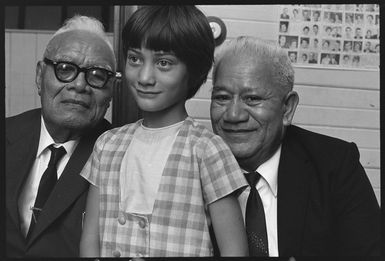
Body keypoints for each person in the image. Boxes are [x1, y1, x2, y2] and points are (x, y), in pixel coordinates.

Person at [79, 6, 248, 258]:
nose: (145, 77)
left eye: (164, 63)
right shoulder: (107, 145)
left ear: (194, 70)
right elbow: (90, 239)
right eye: (135, 58)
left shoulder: (207, 149)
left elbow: (234, 250)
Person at [210, 36, 380, 256]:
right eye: (222, 98)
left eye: (252, 99)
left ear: (287, 109)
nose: (233, 115)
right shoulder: (189, 165)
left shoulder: (334, 165)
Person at [5, 15, 117, 257]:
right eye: (65, 69)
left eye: (97, 75)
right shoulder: (7, 134)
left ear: (111, 93)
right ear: (39, 76)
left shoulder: (120, 155)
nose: (79, 85)